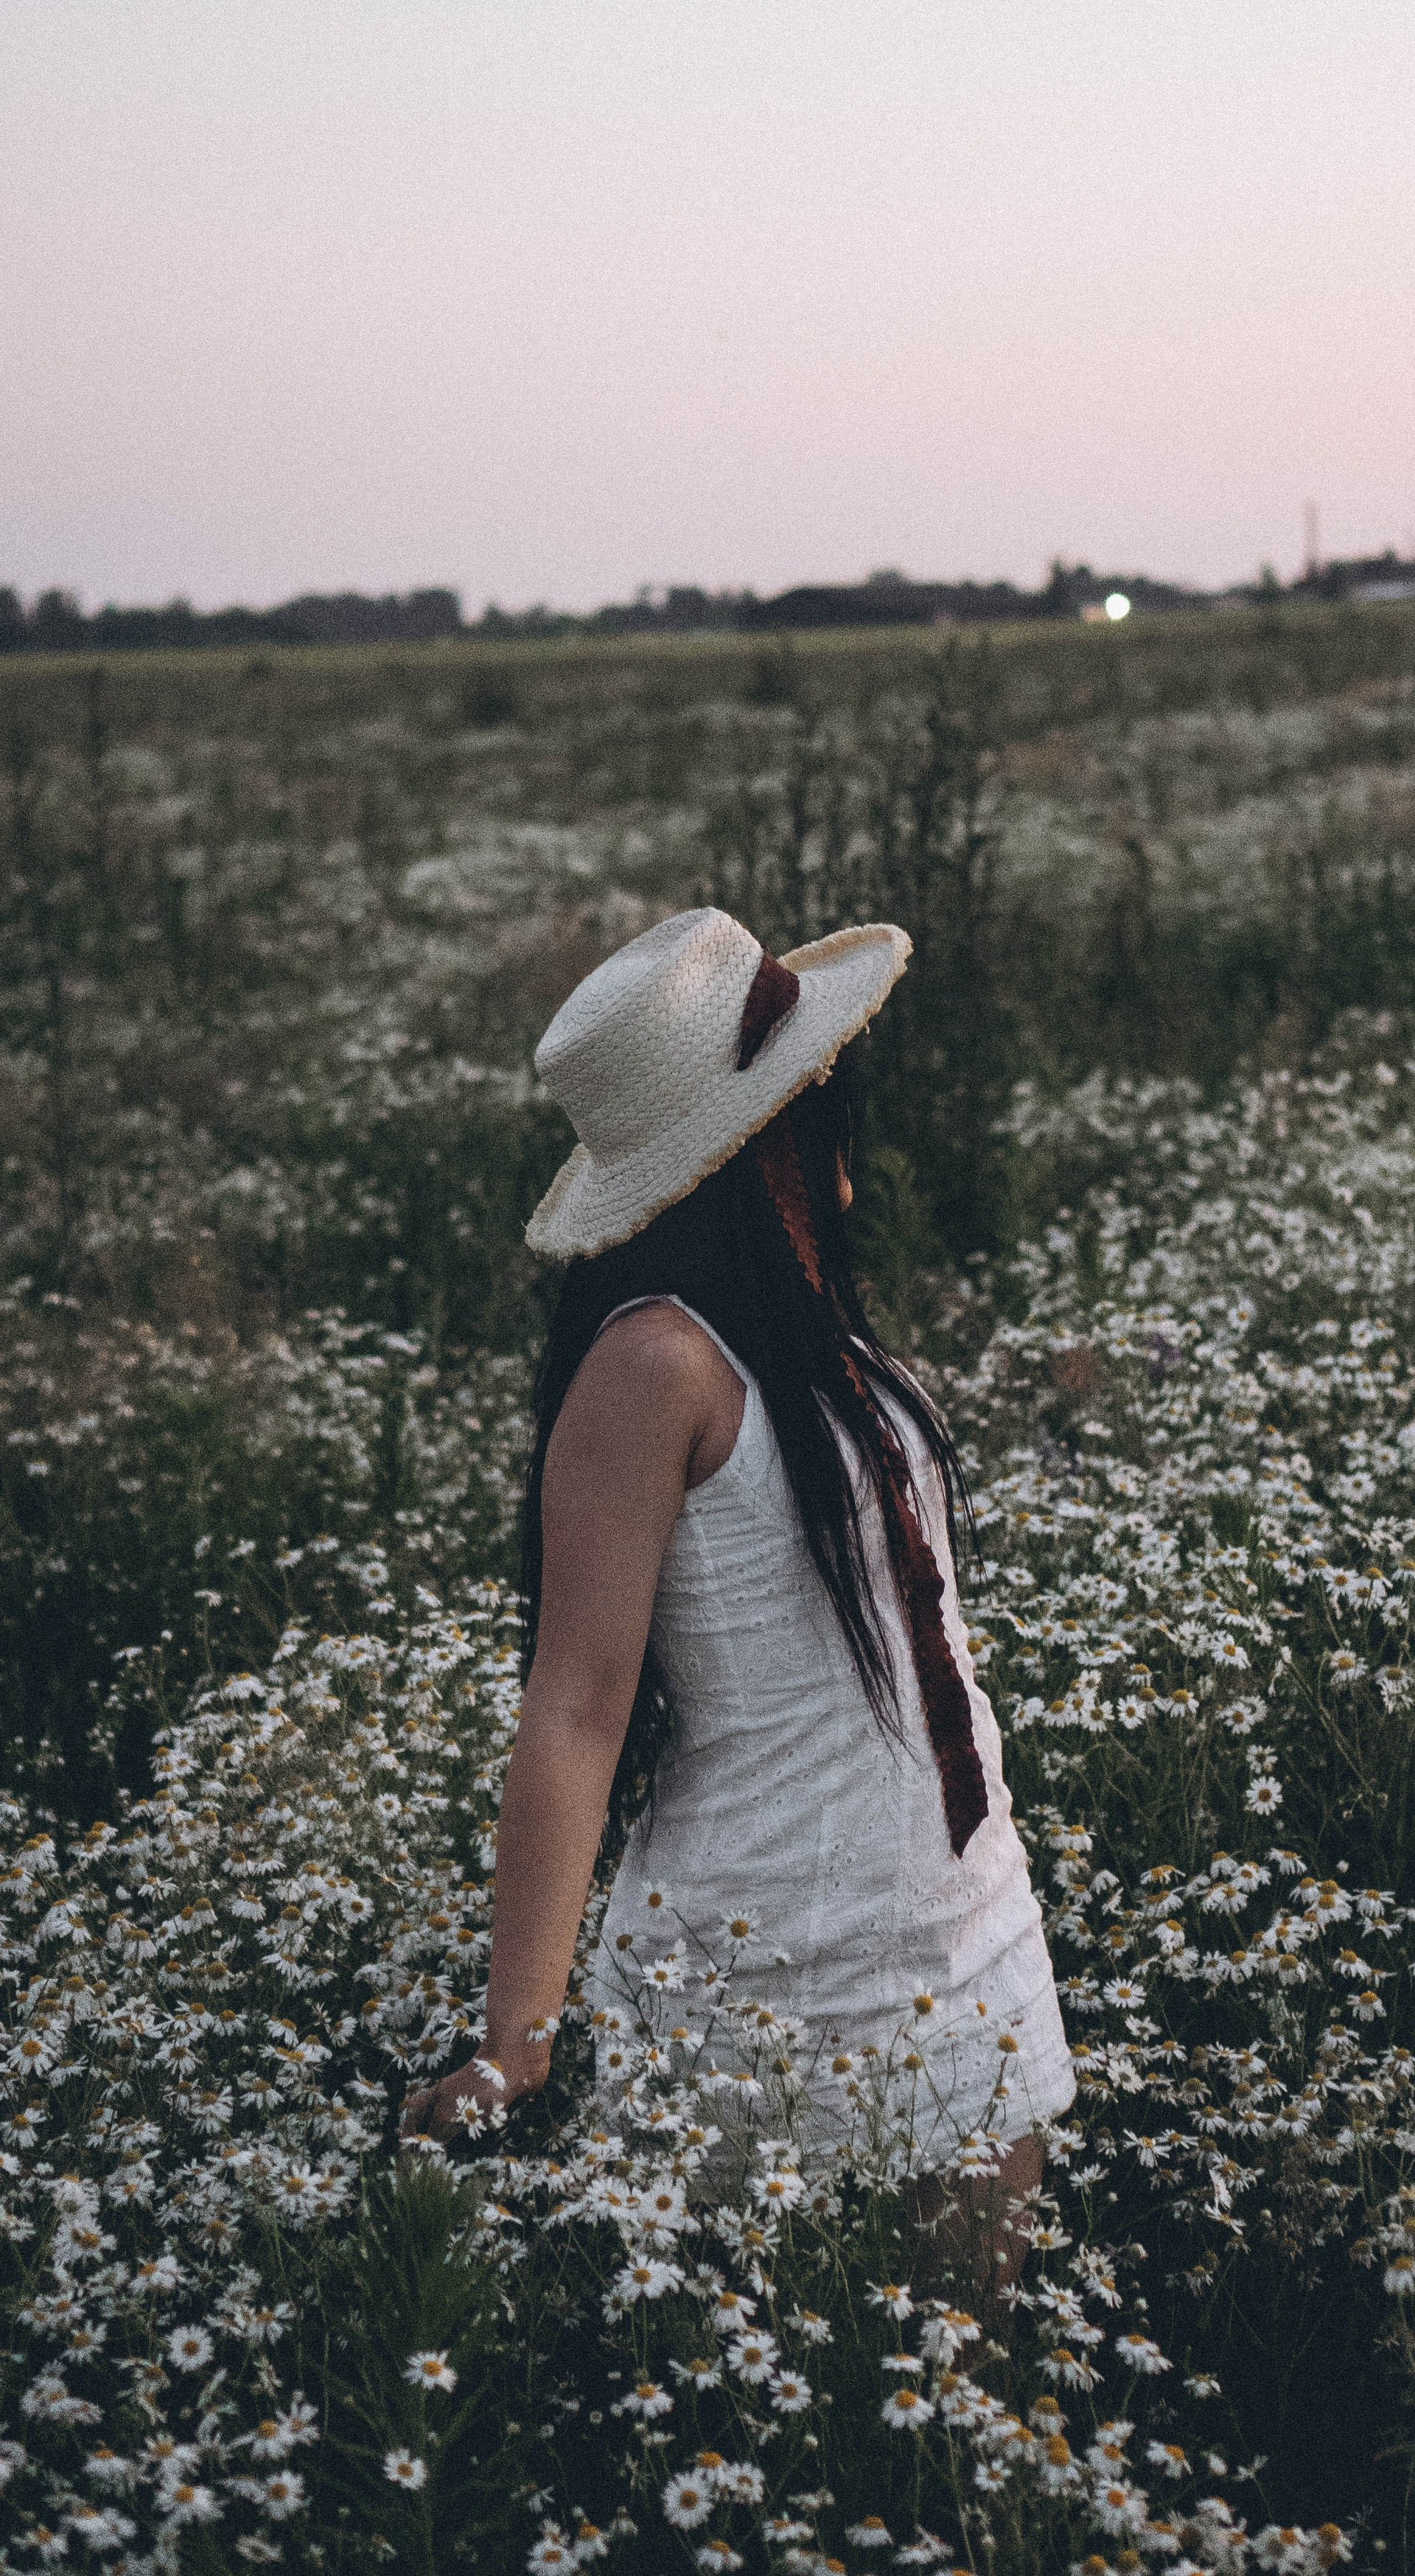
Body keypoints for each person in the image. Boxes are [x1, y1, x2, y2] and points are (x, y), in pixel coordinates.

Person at [401, 907, 1073, 2267]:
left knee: (972, 2421)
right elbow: (576, 1708)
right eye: (819, 1093)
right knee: (786, 2428)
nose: (846, 1128)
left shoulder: (811, 1335)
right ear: (770, 1139)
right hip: (770, 1972)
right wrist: (513, 2046)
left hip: (965, 1934)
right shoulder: (657, 1368)